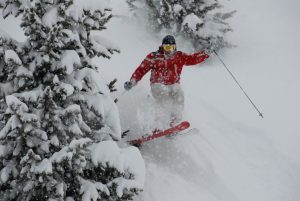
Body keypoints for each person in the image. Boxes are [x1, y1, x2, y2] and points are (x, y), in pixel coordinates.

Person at [124, 35, 210, 126]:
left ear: (175, 47)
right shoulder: (154, 56)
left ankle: (175, 121)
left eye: (171, 47)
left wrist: (206, 53)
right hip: (157, 84)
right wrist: (132, 82)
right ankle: (158, 123)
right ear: (162, 47)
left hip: (173, 84)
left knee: (179, 94)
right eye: (167, 47)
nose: (169, 50)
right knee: (163, 95)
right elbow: (141, 70)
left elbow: (193, 59)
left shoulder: (179, 56)